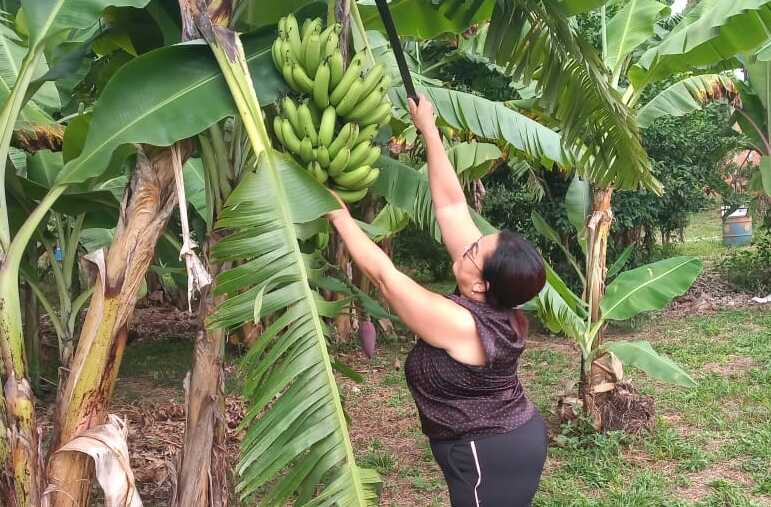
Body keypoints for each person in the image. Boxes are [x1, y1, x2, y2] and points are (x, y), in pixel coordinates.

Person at [327, 95, 548, 507]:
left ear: (482, 285)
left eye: (474, 251)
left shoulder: (462, 323)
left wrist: (339, 217)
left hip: (489, 452)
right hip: (503, 440)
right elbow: (451, 205)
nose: (467, 245)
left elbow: (385, 278)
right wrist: (428, 128)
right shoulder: (494, 298)